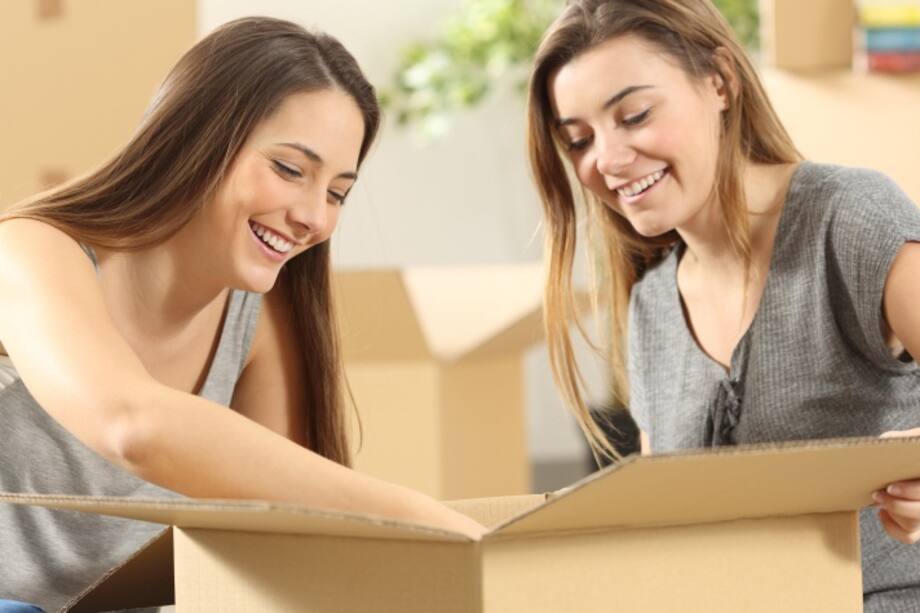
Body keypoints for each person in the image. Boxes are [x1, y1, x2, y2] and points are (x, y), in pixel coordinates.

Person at [0, 16, 485, 611]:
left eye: (337, 192)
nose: (315, 217)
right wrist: (431, 521)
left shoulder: (257, 315)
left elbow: (282, 528)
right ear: (196, 138)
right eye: (289, 169)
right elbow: (132, 426)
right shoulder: (29, 250)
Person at [526, 0, 920, 609]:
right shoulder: (654, 308)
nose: (605, 159)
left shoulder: (849, 217)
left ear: (720, 82)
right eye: (578, 140)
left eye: (634, 115)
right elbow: (669, 532)